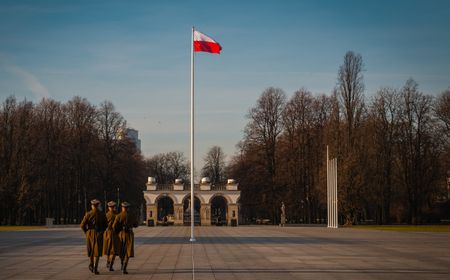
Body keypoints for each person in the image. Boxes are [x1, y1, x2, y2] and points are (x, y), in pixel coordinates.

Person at [80, 199, 107, 274]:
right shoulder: (102, 214)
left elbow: (82, 225)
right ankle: (95, 267)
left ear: (92, 206)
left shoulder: (88, 214)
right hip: (99, 233)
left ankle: (91, 263)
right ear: (98, 205)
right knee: (97, 252)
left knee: (91, 250)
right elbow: (106, 225)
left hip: (90, 233)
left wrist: (87, 232)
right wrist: (102, 231)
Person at [113, 201, 138, 274]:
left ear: (122, 208)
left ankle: (122, 263)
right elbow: (136, 225)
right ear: (128, 208)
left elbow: (114, 227)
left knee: (121, 250)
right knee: (128, 250)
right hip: (129, 234)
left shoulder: (119, 216)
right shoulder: (132, 215)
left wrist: (118, 232)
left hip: (121, 234)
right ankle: (125, 266)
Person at [103, 201, 119, 271]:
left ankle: (108, 261)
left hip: (106, 233)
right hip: (114, 233)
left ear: (109, 207)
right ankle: (111, 264)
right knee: (114, 251)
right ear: (114, 207)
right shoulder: (117, 215)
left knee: (108, 249)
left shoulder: (106, 215)